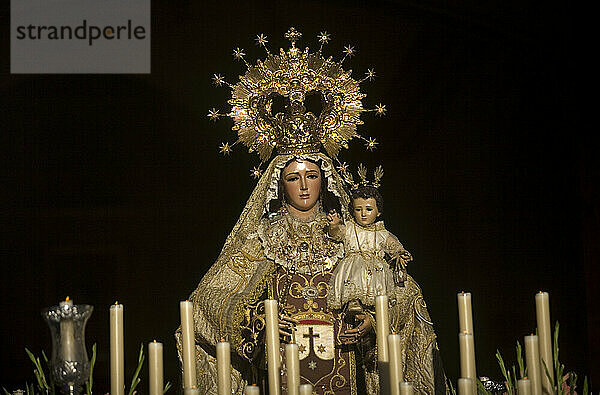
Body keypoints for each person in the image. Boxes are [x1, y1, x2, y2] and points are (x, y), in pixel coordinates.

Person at [326, 183, 414, 319]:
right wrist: (334, 225)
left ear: (378, 211)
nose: (363, 214)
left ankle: (376, 307)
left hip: (376, 269)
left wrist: (400, 253)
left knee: (378, 285)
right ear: (352, 211)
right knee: (356, 272)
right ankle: (353, 301)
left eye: (369, 209)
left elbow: (392, 245)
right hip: (353, 265)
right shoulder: (349, 228)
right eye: (358, 209)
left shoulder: (381, 232)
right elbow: (336, 235)